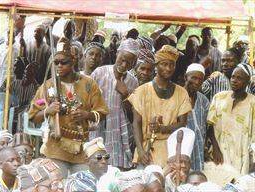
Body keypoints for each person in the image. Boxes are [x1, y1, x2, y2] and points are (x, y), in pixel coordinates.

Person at [28, 37, 109, 178]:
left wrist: (87, 115)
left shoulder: (89, 84)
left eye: (63, 62)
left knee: (82, 186)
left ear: (73, 61)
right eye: (56, 62)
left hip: (81, 149)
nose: (59, 65)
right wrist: (47, 110)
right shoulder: (47, 86)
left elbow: (102, 112)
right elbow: (33, 116)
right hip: (55, 148)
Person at [128, 45, 191, 167]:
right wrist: (140, 151)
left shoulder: (181, 93)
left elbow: (182, 124)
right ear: (156, 66)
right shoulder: (141, 91)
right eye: (164, 64)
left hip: (171, 151)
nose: (168, 68)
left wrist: (162, 128)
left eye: (171, 64)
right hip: (146, 151)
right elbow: (136, 123)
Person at [90, 38, 139, 169]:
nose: (124, 64)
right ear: (117, 53)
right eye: (122, 59)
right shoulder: (99, 73)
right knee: (96, 166)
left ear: (134, 63)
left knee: (115, 170)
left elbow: (133, 114)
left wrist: (125, 95)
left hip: (119, 133)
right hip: (98, 128)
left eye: (129, 62)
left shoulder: (133, 82)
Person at [207, 63, 255, 175]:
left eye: (239, 78)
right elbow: (210, 126)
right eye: (233, 76)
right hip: (219, 153)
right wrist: (215, 148)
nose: (234, 80)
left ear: (247, 82)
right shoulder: (219, 97)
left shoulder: (253, 102)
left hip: (241, 155)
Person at [184, 64, 209, 171]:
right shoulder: (177, 96)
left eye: (200, 79)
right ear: (186, 77)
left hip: (199, 146)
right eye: (193, 78)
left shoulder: (203, 100)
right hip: (182, 146)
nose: (197, 82)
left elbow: (208, 125)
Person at [164, 128, 195, 192]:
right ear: (169, 163)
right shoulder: (163, 177)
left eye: (186, 162)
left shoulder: (194, 177)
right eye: (180, 161)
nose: (183, 165)